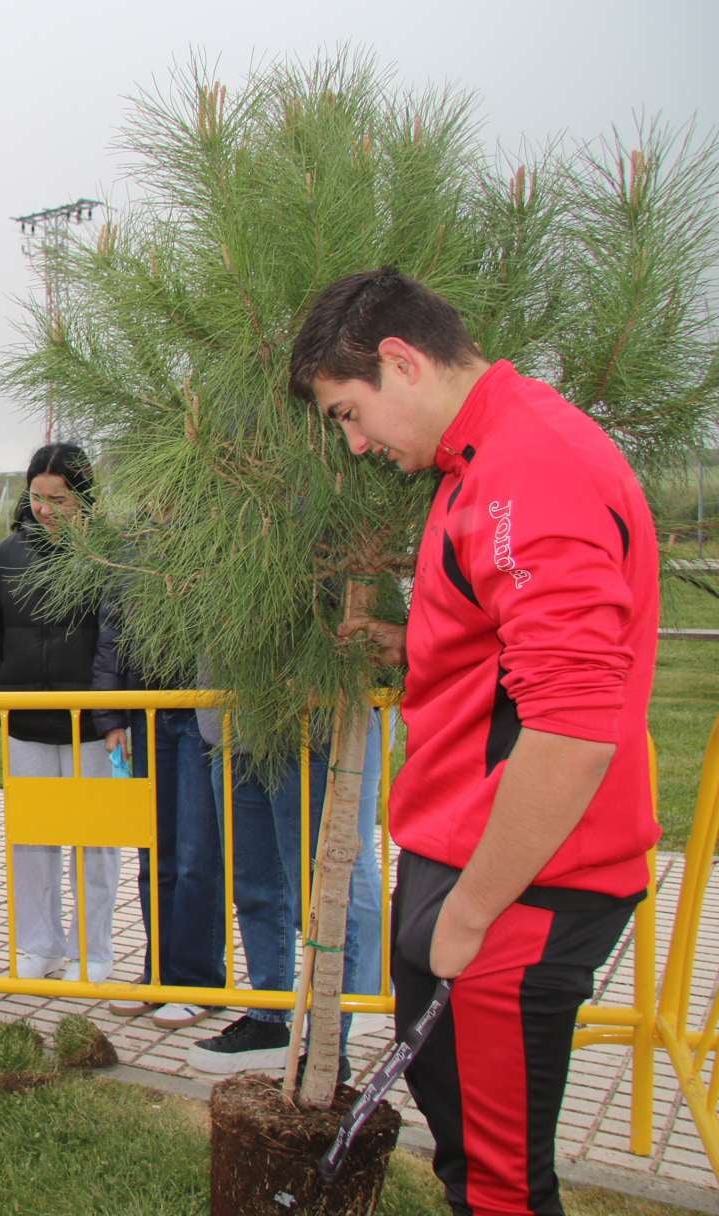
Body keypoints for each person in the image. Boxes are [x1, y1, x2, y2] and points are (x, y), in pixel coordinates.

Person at [291, 267, 658, 1214]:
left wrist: (469, 915)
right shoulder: (485, 459)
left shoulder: (526, 467)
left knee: (499, 1188)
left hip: (520, 886)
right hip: (480, 862)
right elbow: (499, 658)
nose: (357, 442)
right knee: (472, 1168)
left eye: (347, 413)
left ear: (400, 362)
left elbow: (573, 729)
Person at [0, 443, 121, 983]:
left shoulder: (109, 556)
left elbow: (119, 635)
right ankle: (39, 945)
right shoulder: (7, 555)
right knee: (32, 841)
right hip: (27, 723)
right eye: (37, 496)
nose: (46, 508)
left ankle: (93, 950)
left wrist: (111, 708)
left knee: (95, 842)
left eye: (59, 498)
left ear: (84, 499)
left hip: (93, 729)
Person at [184, 712, 390, 1076]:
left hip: (310, 737)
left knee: (320, 899)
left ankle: (327, 1046)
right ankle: (267, 1020)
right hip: (232, 736)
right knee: (252, 892)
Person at [94, 599, 225, 1029]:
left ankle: (197, 982)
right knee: (154, 855)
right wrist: (112, 718)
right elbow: (111, 637)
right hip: (149, 711)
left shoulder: (212, 539)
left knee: (195, 857)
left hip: (201, 713)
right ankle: (160, 973)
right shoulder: (130, 548)